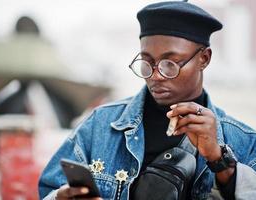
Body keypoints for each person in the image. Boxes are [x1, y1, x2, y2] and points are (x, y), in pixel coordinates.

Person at [38, 1, 256, 200]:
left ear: (204, 59)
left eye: (170, 63)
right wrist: (60, 197)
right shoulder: (100, 125)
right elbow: (49, 189)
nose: (155, 75)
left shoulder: (243, 141)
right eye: (146, 62)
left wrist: (220, 161)